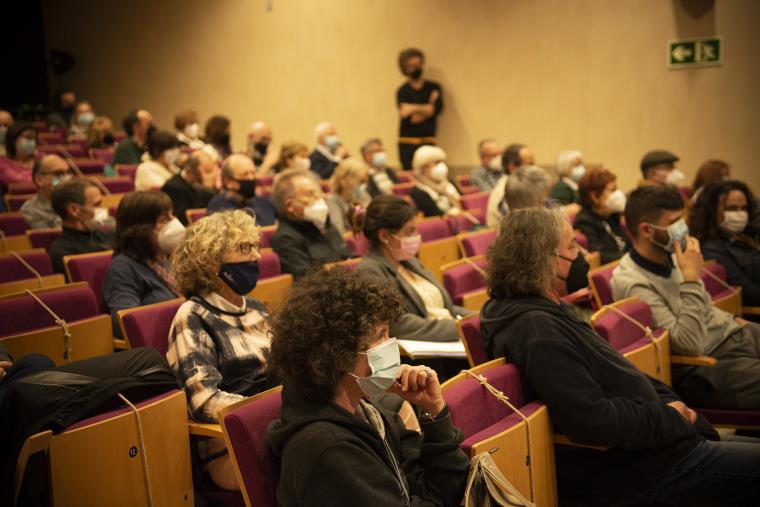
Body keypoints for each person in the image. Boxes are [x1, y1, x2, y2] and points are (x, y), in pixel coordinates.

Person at [480, 206, 760, 506]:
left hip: (659, 445)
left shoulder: (542, 312)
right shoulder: (537, 329)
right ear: (545, 260)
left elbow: (617, 377)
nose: (582, 255)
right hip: (645, 469)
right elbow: (591, 420)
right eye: (573, 246)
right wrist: (670, 417)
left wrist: (672, 410)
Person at [267, 268, 470, 506]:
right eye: (380, 335)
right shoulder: (329, 449)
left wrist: (433, 411)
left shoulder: (369, 412)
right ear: (337, 355)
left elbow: (442, 489)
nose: (390, 345)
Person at [611, 185, 760, 410]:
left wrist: (738, 323)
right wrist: (691, 278)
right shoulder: (631, 281)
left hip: (734, 336)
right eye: (674, 222)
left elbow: (705, 308)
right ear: (647, 230)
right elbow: (688, 344)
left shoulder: (671, 255)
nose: (683, 228)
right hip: (706, 367)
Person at [167, 209, 271, 490]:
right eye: (244, 248)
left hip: (278, 425)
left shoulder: (257, 309)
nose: (257, 257)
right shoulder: (193, 316)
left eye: (257, 247)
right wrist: (273, 410)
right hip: (230, 445)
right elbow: (204, 401)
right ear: (212, 262)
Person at [355, 195, 469, 341]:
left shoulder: (410, 262)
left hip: (449, 337)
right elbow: (398, 324)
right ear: (384, 236)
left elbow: (445, 309)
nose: (416, 236)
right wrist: (460, 328)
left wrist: (477, 319)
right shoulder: (369, 272)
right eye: (409, 231)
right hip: (425, 354)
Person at [102, 191, 185, 336]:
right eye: (164, 220)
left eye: (172, 215)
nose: (174, 223)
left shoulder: (169, 257)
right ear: (140, 230)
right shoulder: (122, 268)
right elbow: (125, 325)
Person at [689, 180, 760, 308]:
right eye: (731, 208)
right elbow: (747, 293)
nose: (740, 214)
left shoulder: (742, 237)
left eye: (744, 208)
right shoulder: (711, 249)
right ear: (711, 211)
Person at [271, 169, 352, 277]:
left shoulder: (325, 225)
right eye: (310, 194)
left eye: (318, 192)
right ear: (290, 206)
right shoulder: (285, 239)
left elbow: (348, 258)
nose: (319, 197)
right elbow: (308, 281)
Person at [48, 179, 114, 274]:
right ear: (74, 210)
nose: (101, 209)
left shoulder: (108, 233)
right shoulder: (62, 253)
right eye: (97, 205)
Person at [396, 48, 443, 170]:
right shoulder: (402, 91)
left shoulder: (433, 87)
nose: (416, 68)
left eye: (418, 65)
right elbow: (410, 119)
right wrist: (428, 106)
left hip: (428, 140)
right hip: (407, 143)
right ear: (405, 69)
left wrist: (412, 108)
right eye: (411, 66)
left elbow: (435, 110)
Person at [573, 167, 631, 265]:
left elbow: (627, 244)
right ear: (594, 196)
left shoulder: (611, 215)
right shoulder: (584, 221)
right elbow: (600, 256)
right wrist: (631, 257)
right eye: (612, 190)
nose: (618, 194)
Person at [206, 154, 276, 226]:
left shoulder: (264, 203)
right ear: (228, 182)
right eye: (245, 174)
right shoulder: (219, 208)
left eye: (253, 173)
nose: (251, 178)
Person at [161, 150, 218, 225]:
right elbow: (191, 220)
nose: (211, 176)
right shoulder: (173, 187)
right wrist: (207, 189)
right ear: (191, 170)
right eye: (207, 172)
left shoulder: (202, 185)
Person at [486, 143, 535, 227]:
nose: (534, 169)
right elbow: (521, 228)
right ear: (512, 168)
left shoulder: (521, 185)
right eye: (529, 164)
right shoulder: (506, 191)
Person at [20, 155, 72, 229]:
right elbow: (52, 238)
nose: (67, 178)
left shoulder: (78, 200)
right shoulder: (30, 211)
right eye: (58, 173)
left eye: (68, 173)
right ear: (39, 179)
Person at [409, 145, 461, 217]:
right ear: (423, 168)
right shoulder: (419, 192)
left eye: (442, 162)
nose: (441, 166)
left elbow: (465, 204)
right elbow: (435, 216)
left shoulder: (450, 183)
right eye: (436, 163)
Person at [326, 158, 370, 235]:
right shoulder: (333, 201)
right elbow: (339, 232)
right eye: (360, 181)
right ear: (343, 180)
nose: (362, 185)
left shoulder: (361, 194)